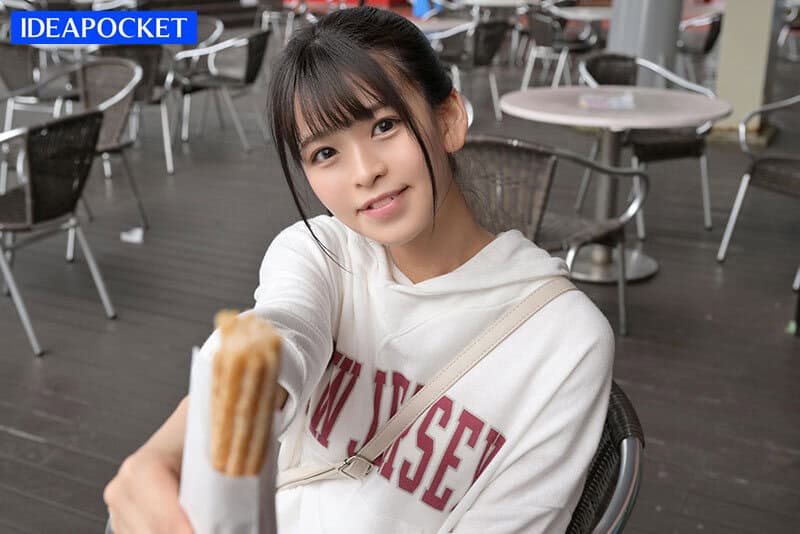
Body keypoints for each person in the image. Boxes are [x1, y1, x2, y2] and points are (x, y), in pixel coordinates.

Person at [103, 6, 613, 533]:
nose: (365, 172)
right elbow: (279, 333)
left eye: (385, 125)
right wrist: (187, 440)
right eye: (325, 153)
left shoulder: (565, 341)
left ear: (449, 119)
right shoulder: (322, 254)